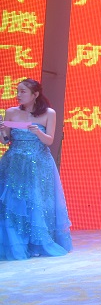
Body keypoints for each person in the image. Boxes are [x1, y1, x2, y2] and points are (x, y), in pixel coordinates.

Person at [0, 79, 72, 260]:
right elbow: (5, 141)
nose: (18, 95)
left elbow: (49, 140)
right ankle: (15, 244)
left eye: (23, 91)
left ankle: (37, 243)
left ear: (35, 94)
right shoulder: (11, 112)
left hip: (39, 164)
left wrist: (38, 132)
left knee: (36, 202)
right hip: (14, 163)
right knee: (12, 203)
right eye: (17, 91)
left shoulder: (49, 113)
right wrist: (2, 130)